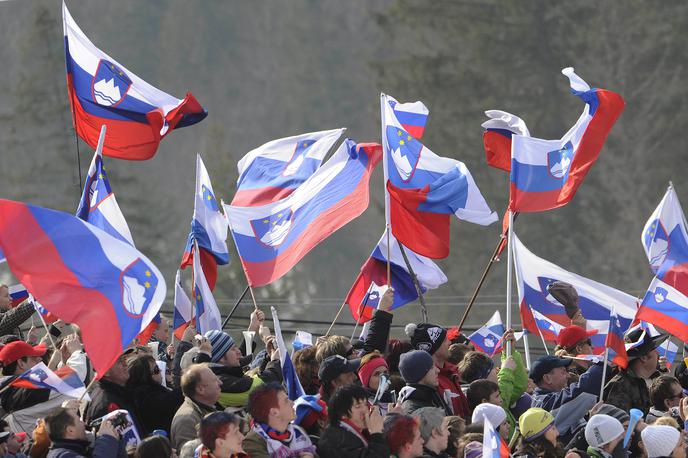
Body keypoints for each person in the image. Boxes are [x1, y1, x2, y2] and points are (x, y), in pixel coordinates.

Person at [193, 312, 283, 409]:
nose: (238, 352)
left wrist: (253, 326)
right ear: (221, 358)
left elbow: (244, 357)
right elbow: (262, 385)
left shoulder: (225, 372)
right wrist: (275, 361)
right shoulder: (222, 381)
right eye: (233, 349)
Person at [0, 340, 81, 433]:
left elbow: (55, 386)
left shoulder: (10, 387)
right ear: (21, 363)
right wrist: (77, 352)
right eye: (33, 358)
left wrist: (64, 361)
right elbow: (74, 379)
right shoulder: (25, 385)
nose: (40, 359)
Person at [405, 323, 469, 418]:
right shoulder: (429, 381)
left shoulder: (452, 372)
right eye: (444, 340)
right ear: (434, 348)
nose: (450, 343)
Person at [604, 327, 668, 413]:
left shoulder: (644, 381)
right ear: (644, 357)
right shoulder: (619, 386)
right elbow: (621, 423)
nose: (658, 353)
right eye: (654, 349)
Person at [242, 383, 316, 458]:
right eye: (286, 401)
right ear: (274, 412)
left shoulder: (297, 431)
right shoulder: (253, 443)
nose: (292, 403)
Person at [317, 384, 389, 458]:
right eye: (358, 406)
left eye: (365, 404)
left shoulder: (345, 432)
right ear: (342, 413)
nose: (365, 411)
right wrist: (376, 434)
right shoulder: (336, 440)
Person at [126, 353, 184, 436]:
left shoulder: (139, 395)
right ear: (145, 377)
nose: (160, 371)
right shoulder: (147, 398)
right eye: (156, 369)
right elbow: (172, 399)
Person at [170, 364, 222, 451]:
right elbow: (189, 454)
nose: (220, 382)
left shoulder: (206, 409)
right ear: (200, 389)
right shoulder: (187, 419)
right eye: (215, 380)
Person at [529, 355, 604, 411]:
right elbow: (580, 391)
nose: (568, 376)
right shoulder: (543, 403)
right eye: (563, 372)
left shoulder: (544, 400)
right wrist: (603, 364)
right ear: (547, 378)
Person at [44, 406, 125, 458]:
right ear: (70, 430)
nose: (84, 424)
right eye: (79, 421)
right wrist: (106, 439)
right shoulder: (62, 455)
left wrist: (116, 440)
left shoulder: (78, 449)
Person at [85, 349, 137, 426]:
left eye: (124, 359)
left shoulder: (119, 391)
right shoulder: (105, 404)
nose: (125, 364)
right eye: (119, 361)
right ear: (106, 372)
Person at [398, 350, 451, 415]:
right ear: (419, 374)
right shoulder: (414, 409)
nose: (438, 370)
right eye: (431, 367)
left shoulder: (431, 395)